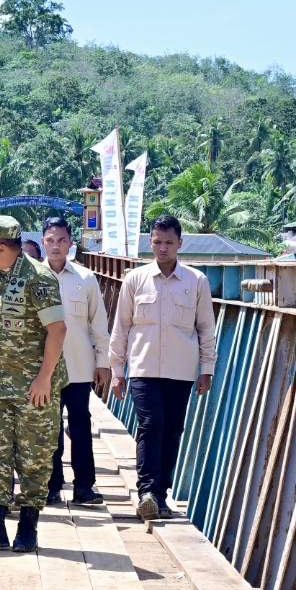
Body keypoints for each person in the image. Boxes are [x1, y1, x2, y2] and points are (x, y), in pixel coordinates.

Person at [0, 215, 68, 553]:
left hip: (35, 387)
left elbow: (57, 331)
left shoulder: (39, 278)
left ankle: (28, 527)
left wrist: (44, 378)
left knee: (34, 457)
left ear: (0, 247)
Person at [110, 215, 216, 521]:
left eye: (169, 242)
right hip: (143, 368)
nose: (163, 248)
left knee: (171, 431)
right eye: (157, 242)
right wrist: (117, 369)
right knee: (150, 425)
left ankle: (160, 495)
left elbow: (206, 328)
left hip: (181, 370)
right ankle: (146, 491)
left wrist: (206, 369)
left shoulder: (196, 282)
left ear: (180, 243)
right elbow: (121, 327)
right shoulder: (135, 279)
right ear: (150, 243)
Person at [41, 217, 110, 506]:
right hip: (44, 368)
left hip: (80, 366)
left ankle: (84, 486)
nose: (56, 246)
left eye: (61, 240)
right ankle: (51, 485)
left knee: (80, 424)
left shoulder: (86, 278)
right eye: (50, 240)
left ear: (71, 243)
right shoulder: (33, 277)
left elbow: (99, 323)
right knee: (49, 427)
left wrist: (104, 361)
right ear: (43, 242)